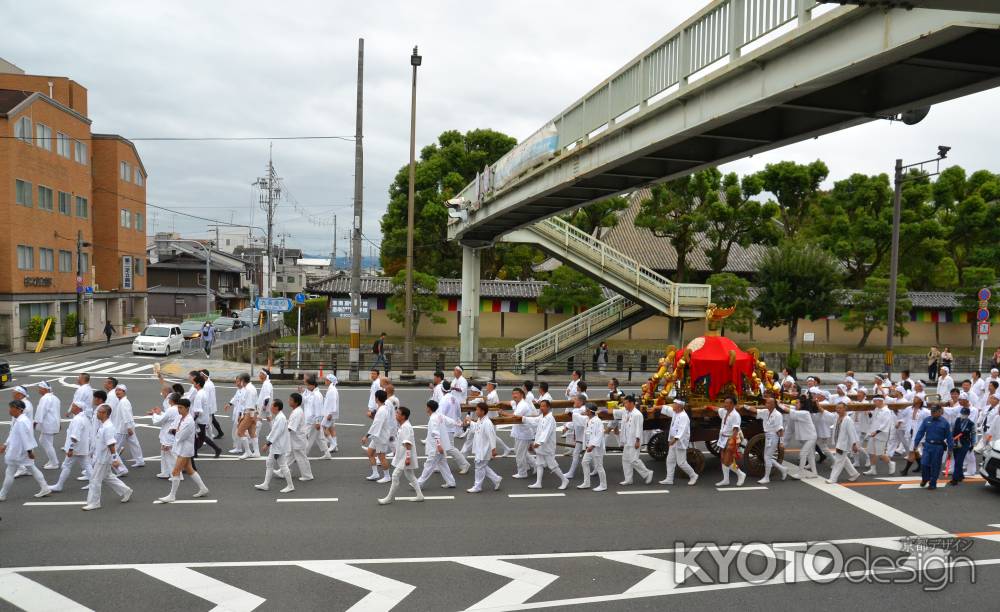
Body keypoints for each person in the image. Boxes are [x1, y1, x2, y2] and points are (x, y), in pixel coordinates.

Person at [157, 398, 210, 502]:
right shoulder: (180, 417)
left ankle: (172, 496)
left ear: (187, 408)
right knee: (190, 469)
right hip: (182, 448)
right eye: (178, 407)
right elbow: (172, 428)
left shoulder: (189, 421)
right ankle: (203, 488)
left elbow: (180, 436)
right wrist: (175, 430)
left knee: (175, 471)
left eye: (181, 408)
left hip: (185, 450)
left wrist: (175, 431)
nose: (179, 410)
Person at [83, 404, 132, 510]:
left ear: (105, 414)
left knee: (95, 480)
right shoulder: (104, 425)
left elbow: (111, 444)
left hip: (103, 459)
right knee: (108, 477)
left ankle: (94, 502)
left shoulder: (108, 427)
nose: (97, 413)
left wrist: (114, 459)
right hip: (101, 457)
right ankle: (126, 490)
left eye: (99, 412)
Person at [0, 400, 52, 501]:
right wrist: (5, 445)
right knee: (32, 468)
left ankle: (2, 494)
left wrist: (29, 452)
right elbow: (13, 435)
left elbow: (25, 438)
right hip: (22, 451)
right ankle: (45, 488)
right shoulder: (21, 420)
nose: (9, 410)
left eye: (11, 408)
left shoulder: (21, 422)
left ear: (18, 409)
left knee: (10, 472)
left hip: (18, 451)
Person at [378, 406, 424, 504]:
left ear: (403, 416)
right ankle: (420, 495)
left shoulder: (406, 427)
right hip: (403, 455)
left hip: (405, 456)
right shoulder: (403, 426)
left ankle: (388, 498)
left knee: (395, 475)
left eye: (398, 413)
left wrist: (407, 457)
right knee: (410, 475)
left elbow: (408, 443)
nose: (396, 414)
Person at [523, 399, 569, 490]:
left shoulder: (550, 418)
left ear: (548, 407)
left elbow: (546, 432)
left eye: (544, 406)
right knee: (539, 463)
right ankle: (538, 483)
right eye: (541, 406)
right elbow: (534, 420)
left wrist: (538, 443)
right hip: (540, 445)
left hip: (547, 446)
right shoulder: (542, 417)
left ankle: (564, 480)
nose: (541, 408)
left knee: (552, 465)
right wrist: (523, 418)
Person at [415, 399, 459, 489]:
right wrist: (460, 424)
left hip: (436, 447)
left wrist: (438, 445)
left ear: (429, 408)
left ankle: (419, 483)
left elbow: (435, 432)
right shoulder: (439, 415)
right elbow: (451, 421)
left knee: (429, 465)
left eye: (427, 407)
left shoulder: (433, 419)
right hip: (439, 446)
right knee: (443, 464)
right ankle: (451, 482)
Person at [50, 400, 92, 493]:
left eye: (73, 406)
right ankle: (94, 483)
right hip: (82, 447)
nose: (71, 408)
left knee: (66, 465)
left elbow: (75, 436)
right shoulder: (84, 417)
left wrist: (71, 449)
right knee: (87, 465)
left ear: (78, 408)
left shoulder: (78, 419)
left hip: (76, 448)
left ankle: (59, 485)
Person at [255, 399, 295, 493]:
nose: (270, 407)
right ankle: (265, 484)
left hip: (278, 446)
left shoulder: (280, 418)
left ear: (276, 407)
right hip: (277, 445)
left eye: (272, 405)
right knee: (270, 463)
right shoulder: (279, 417)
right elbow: (275, 432)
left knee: (282, 465)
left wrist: (267, 444)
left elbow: (276, 433)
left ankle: (290, 486)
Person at [912, 404, 953, 489]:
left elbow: (949, 437)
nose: (932, 413)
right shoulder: (927, 420)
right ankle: (925, 479)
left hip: (938, 447)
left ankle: (933, 483)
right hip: (928, 445)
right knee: (924, 464)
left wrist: (950, 449)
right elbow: (920, 432)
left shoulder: (945, 422)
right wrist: (916, 444)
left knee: (935, 465)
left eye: (934, 412)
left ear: (940, 412)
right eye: (931, 411)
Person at [464, 404, 502, 493]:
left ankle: (477, 486)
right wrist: (470, 421)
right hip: (480, 447)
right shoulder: (480, 420)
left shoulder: (487, 423)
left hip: (484, 449)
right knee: (482, 466)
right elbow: (476, 427)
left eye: (477, 410)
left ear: (483, 411)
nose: (476, 411)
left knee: (479, 467)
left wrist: (493, 449)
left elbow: (492, 436)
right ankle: (496, 479)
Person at [659, 399, 698, 486]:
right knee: (670, 460)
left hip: (679, 441)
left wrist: (674, 440)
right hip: (673, 441)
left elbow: (682, 430)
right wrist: (657, 407)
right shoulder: (675, 413)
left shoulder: (684, 416)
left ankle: (693, 475)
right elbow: (667, 409)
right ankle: (669, 479)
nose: (672, 405)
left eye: (674, 404)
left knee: (681, 462)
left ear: (679, 406)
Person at [711, 397, 747, 486]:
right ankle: (726, 480)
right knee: (723, 459)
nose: (725, 404)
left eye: (727, 403)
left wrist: (732, 442)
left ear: (732, 404)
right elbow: (716, 409)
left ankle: (741, 474)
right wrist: (708, 407)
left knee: (727, 461)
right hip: (722, 438)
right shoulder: (724, 411)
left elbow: (735, 429)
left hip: (731, 438)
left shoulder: (735, 415)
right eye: (725, 402)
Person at [619, 395, 653, 486]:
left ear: (631, 403)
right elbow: (624, 426)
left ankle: (647, 473)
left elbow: (639, 428)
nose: (624, 405)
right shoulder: (626, 412)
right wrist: (622, 440)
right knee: (626, 460)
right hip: (627, 440)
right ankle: (628, 479)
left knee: (634, 460)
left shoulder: (637, 414)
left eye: (625, 403)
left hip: (634, 440)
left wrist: (638, 441)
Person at [151, 388, 183, 479]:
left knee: (171, 455)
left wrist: (154, 414)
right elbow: (167, 417)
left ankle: (177, 475)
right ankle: (165, 472)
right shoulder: (178, 408)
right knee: (165, 454)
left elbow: (160, 421)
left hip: (168, 435)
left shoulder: (172, 409)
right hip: (171, 433)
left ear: (171, 400)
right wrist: (160, 412)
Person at [440, 383, 471, 475]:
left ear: (442, 390)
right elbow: (459, 413)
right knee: (441, 447)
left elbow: (441, 415)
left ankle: (464, 464)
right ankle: (438, 466)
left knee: (449, 448)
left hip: (445, 427)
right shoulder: (455, 398)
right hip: (451, 426)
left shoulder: (443, 400)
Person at [826, 402, 861, 484]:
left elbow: (851, 433)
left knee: (838, 461)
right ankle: (854, 474)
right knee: (844, 460)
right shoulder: (837, 417)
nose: (838, 410)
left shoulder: (848, 419)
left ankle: (833, 478)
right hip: (838, 442)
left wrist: (854, 445)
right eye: (837, 408)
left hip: (843, 444)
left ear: (845, 409)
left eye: (840, 408)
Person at [755, 397, 788, 484]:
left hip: (773, 437)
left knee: (767, 457)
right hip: (768, 436)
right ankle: (783, 469)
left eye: (768, 403)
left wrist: (781, 442)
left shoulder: (778, 415)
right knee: (767, 456)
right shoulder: (766, 411)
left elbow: (780, 430)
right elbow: (755, 411)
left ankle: (766, 478)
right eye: (766, 403)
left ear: (773, 405)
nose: (766, 404)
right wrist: (745, 406)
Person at [506, 387, 536, 478]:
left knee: (520, 454)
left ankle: (522, 473)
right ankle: (535, 465)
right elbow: (512, 404)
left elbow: (515, 416)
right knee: (522, 452)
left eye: (516, 393)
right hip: (520, 432)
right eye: (513, 393)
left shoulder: (523, 405)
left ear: (522, 395)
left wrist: (503, 413)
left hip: (524, 433)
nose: (514, 395)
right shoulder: (519, 403)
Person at [577, 403, 607, 492]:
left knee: (599, 466)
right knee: (584, 462)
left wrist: (592, 445)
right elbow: (578, 417)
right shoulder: (588, 419)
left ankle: (603, 485)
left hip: (595, 447)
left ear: (590, 411)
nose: (584, 411)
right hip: (589, 446)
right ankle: (586, 483)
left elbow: (599, 435)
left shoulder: (597, 421)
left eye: (586, 410)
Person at [191, 375, 222, 460]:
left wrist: (193, 419)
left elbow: (197, 411)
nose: (193, 384)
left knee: (201, 436)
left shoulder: (199, 395)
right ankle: (195, 452)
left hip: (200, 419)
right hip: (204, 418)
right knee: (199, 436)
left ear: (198, 384)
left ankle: (217, 449)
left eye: (194, 382)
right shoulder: (202, 392)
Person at [864, 396, 896, 476]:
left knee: (880, 454)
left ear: (881, 401)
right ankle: (873, 470)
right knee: (871, 452)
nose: (874, 403)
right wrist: (870, 414)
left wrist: (877, 431)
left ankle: (891, 463)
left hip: (881, 434)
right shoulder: (876, 409)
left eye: (875, 401)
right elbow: (873, 420)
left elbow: (885, 424)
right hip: (873, 433)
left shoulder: (886, 411)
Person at [286, 392, 314, 481]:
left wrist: (280, 434)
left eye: (290, 400)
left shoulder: (297, 413)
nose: (288, 401)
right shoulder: (296, 411)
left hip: (298, 440)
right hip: (296, 439)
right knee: (290, 455)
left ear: (296, 402)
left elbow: (291, 428)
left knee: (301, 458)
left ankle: (307, 475)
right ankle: (283, 471)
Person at [114, 384, 144, 468]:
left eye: (119, 390)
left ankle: (112, 462)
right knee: (134, 444)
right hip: (127, 427)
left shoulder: (123, 402)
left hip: (123, 428)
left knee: (115, 446)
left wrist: (128, 427)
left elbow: (126, 415)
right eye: (116, 390)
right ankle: (140, 461)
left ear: (124, 392)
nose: (117, 392)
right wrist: (129, 427)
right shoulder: (123, 401)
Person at [34, 381, 62, 469]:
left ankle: (54, 463)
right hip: (53, 423)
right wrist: (59, 423)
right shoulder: (55, 398)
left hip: (48, 424)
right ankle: (52, 460)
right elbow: (57, 412)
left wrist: (36, 421)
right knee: (45, 441)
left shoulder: (45, 398)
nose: (39, 390)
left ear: (45, 389)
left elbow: (41, 411)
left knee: (46, 442)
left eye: (40, 388)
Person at [301, 374, 330, 460]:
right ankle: (327, 454)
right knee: (319, 438)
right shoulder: (310, 392)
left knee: (307, 436)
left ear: (313, 385)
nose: (307, 387)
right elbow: (304, 401)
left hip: (313, 420)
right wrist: (302, 392)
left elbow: (319, 409)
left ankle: (304, 455)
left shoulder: (317, 395)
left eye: (308, 385)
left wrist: (317, 422)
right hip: (309, 419)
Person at [949, 406, 976, 485]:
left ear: (968, 415)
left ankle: (955, 479)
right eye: (962, 413)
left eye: (965, 414)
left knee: (959, 461)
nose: (963, 415)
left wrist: (973, 444)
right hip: (955, 442)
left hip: (965, 443)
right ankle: (960, 475)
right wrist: (950, 441)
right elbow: (952, 431)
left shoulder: (971, 424)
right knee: (957, 458)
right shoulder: (957, 420)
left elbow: (973, 434)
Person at [323, 373, 340, 454]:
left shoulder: (332, 390)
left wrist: (330, 413)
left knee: (323, 427)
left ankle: (333, 444)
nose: (325, 381)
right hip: (331, 413)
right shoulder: (332, 389)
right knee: (331, 428)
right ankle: (335, 446)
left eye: (326, 380)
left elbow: (333, 402)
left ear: (330, 381)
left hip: (329, 413)